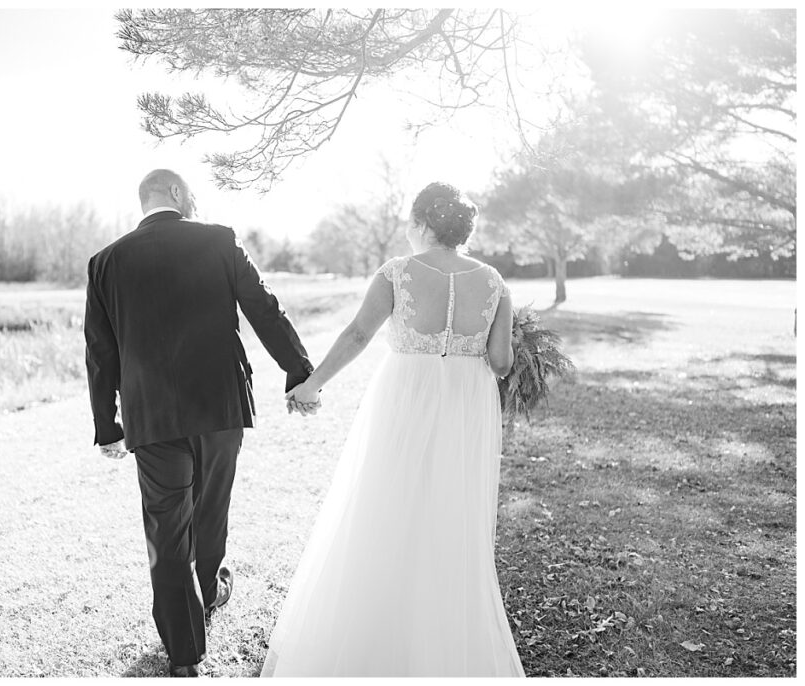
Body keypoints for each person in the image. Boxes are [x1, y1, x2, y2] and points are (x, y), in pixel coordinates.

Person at [261, 182, 525, 677]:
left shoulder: (397, 273)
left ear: (424, 223)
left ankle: (375, 638)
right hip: (465, 409)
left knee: (386, 504)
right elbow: (502, 362)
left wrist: (311, 386)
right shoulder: (494, 283)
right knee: (449, 511)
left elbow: (359, 334)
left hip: (406, 397)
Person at [84, 169, 316, 677]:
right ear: (173, 192)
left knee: (166, 530)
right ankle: (208, 592)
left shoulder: (105, 263)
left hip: (152, 416)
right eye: (190, 192)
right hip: (219, 406)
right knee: (211, 507)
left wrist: (109, 424)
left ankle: (186, 652)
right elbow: (263, 306)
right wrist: (299, 370)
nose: (195, 200)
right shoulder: (218, 239)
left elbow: (100, 353)